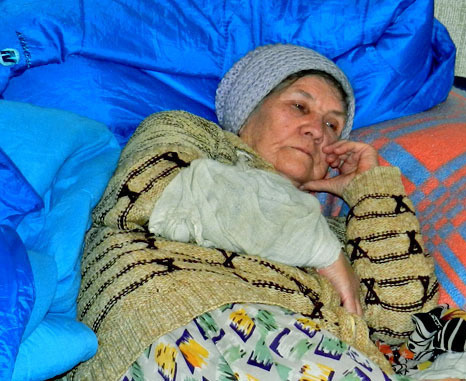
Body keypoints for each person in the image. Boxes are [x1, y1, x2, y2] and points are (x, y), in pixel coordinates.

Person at [71, 44, 440, 381]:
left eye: (333, 125)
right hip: (187, 327)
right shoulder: (191, 137)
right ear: (248, 111)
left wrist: (372, 190)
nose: (316, 131)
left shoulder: (339, 232)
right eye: (299, 106)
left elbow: (405, 324)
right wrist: (321, 251)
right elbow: (151, 190)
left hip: (318, 354)